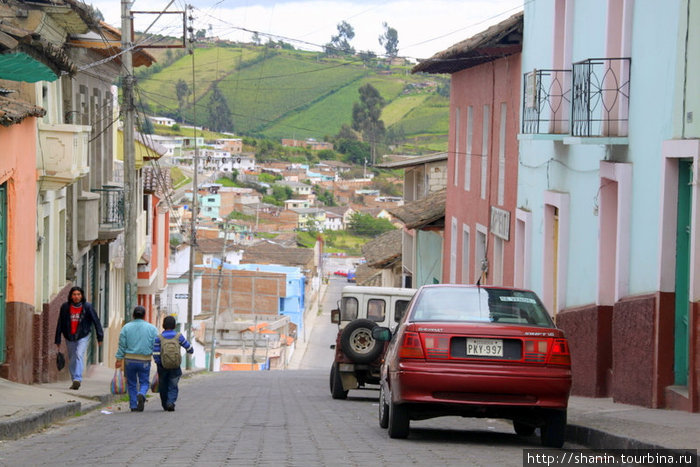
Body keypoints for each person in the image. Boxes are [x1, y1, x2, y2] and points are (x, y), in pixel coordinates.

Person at [55, 286, 104, 390]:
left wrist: (99, 337)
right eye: (74, 294)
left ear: (82, 296)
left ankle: (78, 378)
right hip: (69, 336)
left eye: (78, 294)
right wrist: (57, 339)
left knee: (78, 355)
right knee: (72, 358)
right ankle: (74, 380)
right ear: (71, 296)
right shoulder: (65, 307)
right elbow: (60, 323)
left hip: (83, 336)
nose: (76, 297)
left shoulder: (87, 307)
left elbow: (96, 321)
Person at [115, 306, 158, 412]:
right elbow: (155, 344)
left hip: (129, 360)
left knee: (131, 383)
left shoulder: (126, 327)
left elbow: (122, 345)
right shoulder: (152, 328)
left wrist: (119, 359)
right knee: (144, 382)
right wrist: (156, 359)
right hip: (144, 360)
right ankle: (142, 393)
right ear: (144, 316)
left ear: (133, 315)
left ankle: (133, 405)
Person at [153, 316, 194, 411]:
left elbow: (155, 353)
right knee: (173, 384)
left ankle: (164, 404)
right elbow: (188, 347)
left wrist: (159, 363)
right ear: (175, 325)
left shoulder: (159, 338)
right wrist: (190, 351)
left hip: (162, 366)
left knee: (163, 385)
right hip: (175, 365)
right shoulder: (178, 336)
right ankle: (170, 402)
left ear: (163, 325)